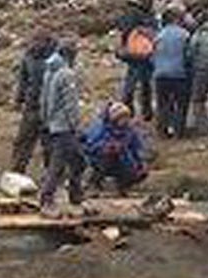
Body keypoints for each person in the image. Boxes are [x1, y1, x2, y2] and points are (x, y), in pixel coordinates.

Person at [37, 39, 86, 216]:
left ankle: (75, 197)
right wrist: (77, 126)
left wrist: (45, 120)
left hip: (52, 124)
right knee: (62, 164)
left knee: (75, 161)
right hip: (64, 126)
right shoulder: (66, 74)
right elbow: (70, 104)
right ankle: (47, 199)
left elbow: (43, 99)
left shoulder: (49, 72)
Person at [83, 101, 151, 194]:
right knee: (105, 160)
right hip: (100, 160)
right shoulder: (100, 128)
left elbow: (137, 149)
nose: (125, 120)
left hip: (124, 160)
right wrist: (105, 147)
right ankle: (93, 183)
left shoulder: (130, 131)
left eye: (126, 117)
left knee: (138, 171)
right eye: (122, 117)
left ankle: (122, 186)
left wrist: (141, 163)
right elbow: (89, 146)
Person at [10, 30, 53, 175]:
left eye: (38, 42)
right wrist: (18, 99)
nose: (35, 45)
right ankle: (17, 171)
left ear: (46, 42)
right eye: (33, 41)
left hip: (50, 108)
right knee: (23, 140)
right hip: (32, 105)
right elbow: (23, 80)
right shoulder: (28, 57)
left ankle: (52, 175)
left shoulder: (55, 58)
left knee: (49, 144)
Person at [114, 0, 157, 122]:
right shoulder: (137, 13)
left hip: (136, 52)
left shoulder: (133, 12)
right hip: (140, 52)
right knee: (138, 83)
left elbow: (122, 28)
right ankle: (140, 111)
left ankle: (135, 110)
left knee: (137, 82)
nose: (151, 2)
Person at [151, 5, 192, 138]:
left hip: (160, 74)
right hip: (179, 74)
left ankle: (162, 130)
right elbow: (189, 55)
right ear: (177, 19)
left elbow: (152, 56)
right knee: (181, 104)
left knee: (163, 104)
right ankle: (178, 131)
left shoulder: (159, 35)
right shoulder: (185, 35)